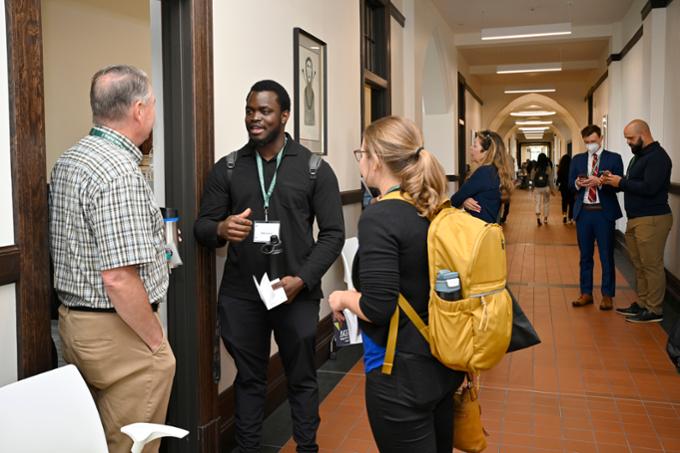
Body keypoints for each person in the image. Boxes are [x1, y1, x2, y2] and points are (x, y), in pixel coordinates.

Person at [194, 80, 344, 452]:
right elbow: (201, 227)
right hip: (243, 295)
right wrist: (221, 228)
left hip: (295, 292)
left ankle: (307, 447)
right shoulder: (228, 168)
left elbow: (333, 235)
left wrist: (302, 279)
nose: (254, 118)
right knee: (249, 379)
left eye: (264, 111)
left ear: (285, 116)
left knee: (301, 377)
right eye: (250, 110)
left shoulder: (313, 170)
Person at [48, 65, 175, 453]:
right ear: (139, 110)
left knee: (91, 440)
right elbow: (119, 279)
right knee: (129, 445)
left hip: (74, 324)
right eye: (152, 104)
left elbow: (84, 241)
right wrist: (156, 344)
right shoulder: (119, 171)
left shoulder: (70, 160)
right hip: (116, 331)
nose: (153, 112)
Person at [328, 116, 465, 452]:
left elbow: (378, 307)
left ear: (376, 159)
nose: (359, 161)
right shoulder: (432, 208)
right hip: (444, 361)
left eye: (361, 152)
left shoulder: (380, 216)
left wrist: (343, 298)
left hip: (400, 373)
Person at [602, 119, 673, 323]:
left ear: (643, 134)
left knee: (651, 265)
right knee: (640, 264)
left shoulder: (658, 157)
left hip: (652, 219)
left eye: (631, 138)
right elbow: (634, 183)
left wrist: (621, 182)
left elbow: (650, 188)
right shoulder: (640, 157)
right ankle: (642, 303)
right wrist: (615, 180)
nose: (628, 142)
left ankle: (654, 309)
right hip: (637, 219)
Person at [568, 125, 624, 311]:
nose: (590, 145)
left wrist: (600, 182)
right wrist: (578, 183)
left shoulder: (613, 158)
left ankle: (607, 295)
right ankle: (586, 293)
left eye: (593, 141)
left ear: (601, 138)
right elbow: (569, 184)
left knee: (606, 255)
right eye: (587, 142)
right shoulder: (577, 159)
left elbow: (618, 185)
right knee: (585, 256)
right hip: (583, 212)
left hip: (603, 212)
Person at [450, 130, 514, 223]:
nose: (471, 148)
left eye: (475, 145)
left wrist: (463, 200)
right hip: (487, 230)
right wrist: (464, 200)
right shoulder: (494, 170)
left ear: (486, 152)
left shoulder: (484, 172)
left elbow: (454, 200)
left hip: (477, 230)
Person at [531, 153, 556, 225]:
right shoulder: (548, 167)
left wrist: (533, 186)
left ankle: (538, 217)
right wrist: (552, 189)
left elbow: (532, 177)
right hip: (546, 187)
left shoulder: (535, 167)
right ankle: (545, 219)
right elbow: (551, 179)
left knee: (537, 203)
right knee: (546, 203)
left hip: (537, 187)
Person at [556, 153, 575, 224]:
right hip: (571, 187)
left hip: (563, 187)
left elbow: (559, 178)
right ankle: (570, 218)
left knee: (564, 201)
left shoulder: (561, 168)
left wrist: (557, 183)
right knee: (571, 202)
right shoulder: (572, 167)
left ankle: (564, 216)